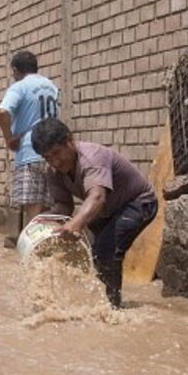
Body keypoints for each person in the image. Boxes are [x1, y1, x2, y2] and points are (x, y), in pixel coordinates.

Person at [31, 118, 157, 309]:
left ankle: (112, 309)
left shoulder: (92, 157)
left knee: (105, 252)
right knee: (90, 254)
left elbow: (97, 197)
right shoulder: (53, 171)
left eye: (57, 153)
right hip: (108, 211)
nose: (55, 161)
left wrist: (76, 224)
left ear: (69, 141)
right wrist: (44, 220)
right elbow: (64, 205)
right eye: (47, 157)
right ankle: (99, 303)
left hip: (139, 202)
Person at [0, 50, 61, 244]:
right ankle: (47, 247)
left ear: (15, 70)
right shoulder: (51, 86)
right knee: (49, 206)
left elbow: (2, 111)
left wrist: (9, 138)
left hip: (30, 151)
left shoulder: (20, 87)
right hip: (55, 152)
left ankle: (33, 249)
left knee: (33, 206)